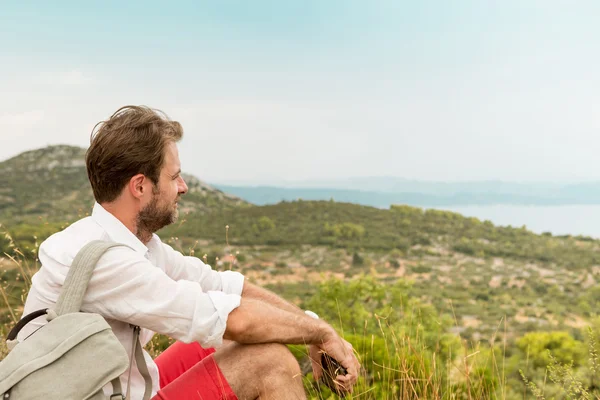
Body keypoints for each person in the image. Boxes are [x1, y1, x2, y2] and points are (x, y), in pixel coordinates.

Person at [18, 105, 360, 400]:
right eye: (174, 177)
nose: (183, 187)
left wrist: (314, 325)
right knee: (270, 361)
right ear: (140, 186)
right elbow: (234, 319)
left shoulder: (131, 243)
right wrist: (322, 335)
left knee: (223, 341)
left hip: (127, 388)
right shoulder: (109, 262)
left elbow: (228, 289)